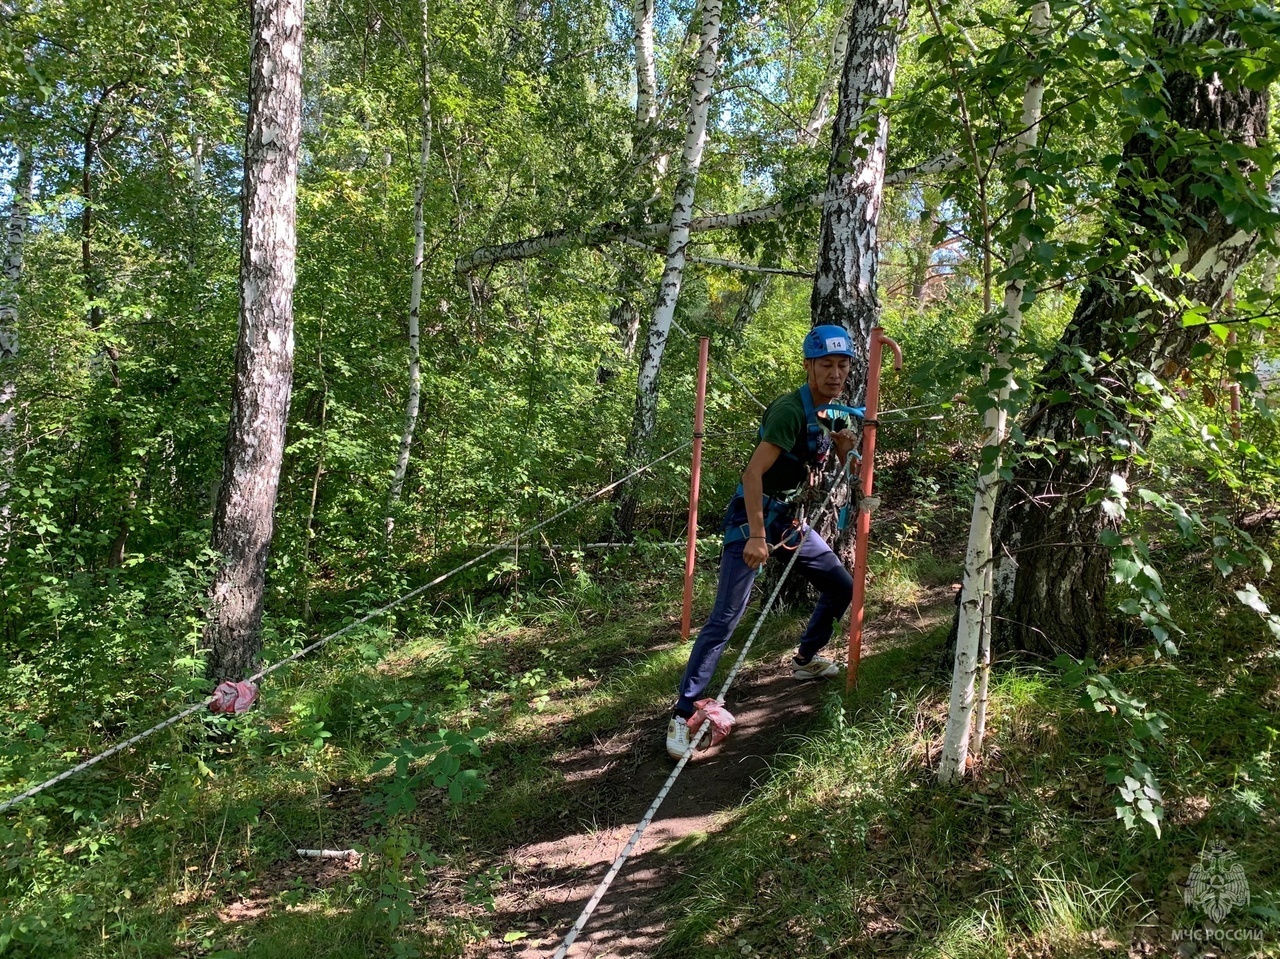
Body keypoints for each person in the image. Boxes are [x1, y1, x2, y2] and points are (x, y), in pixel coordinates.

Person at [666, 324, 859, 760]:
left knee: (840, 585)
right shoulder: (789, 411)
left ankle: (807, 660)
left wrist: (846, 444)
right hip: (753, 518)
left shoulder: (834, 412)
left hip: (788, 521)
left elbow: (843, 463)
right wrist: (755, 535)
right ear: (809, 366)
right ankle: (681, 714)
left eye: (841, 364)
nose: (834, 373)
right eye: (825, 364)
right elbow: (752, 475)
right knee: (725, 619)